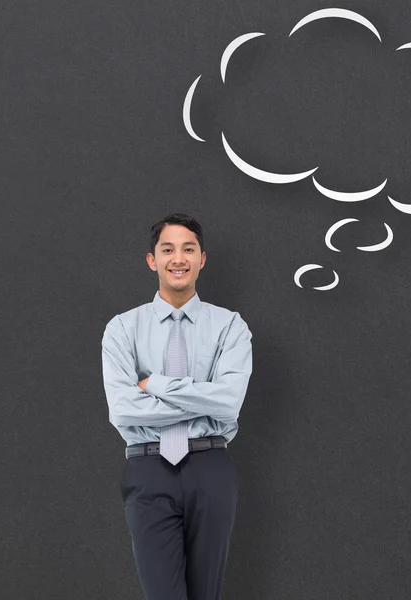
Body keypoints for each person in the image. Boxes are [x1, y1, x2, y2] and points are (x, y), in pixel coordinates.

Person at [101, 212, 253, 600]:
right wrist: (204, 398)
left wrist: (156, 385)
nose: (178, 258)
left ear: (203, 259)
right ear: (152, 259)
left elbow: (230, 402)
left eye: (189, 249)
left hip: (211, 468)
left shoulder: (230, 326)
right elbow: (122, 409)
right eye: (167, 249)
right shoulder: (122, 329)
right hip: (148, 469)